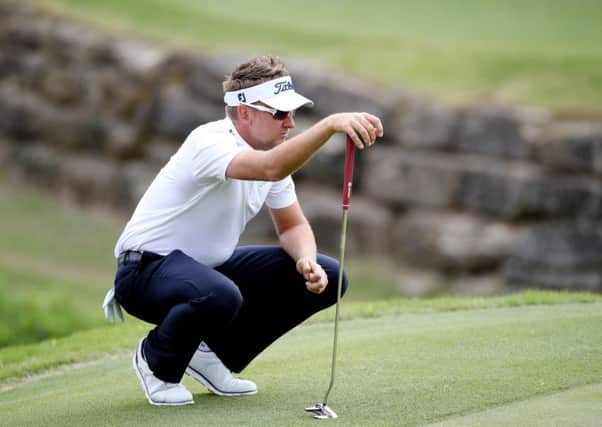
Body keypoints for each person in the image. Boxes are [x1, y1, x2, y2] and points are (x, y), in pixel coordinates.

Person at [103, 55, 383, 406]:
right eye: (280, 114)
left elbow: (293, 224)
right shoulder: (210, 141)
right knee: (221, 294)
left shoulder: (272, 154)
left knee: (331, 275)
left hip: (203, 272)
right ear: (246, 112)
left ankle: (211, 356)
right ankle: (156, 361)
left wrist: (306, 260)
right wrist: (329, 126)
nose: (291, 124)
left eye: (292, 113)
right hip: (144, 272)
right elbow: (269, 169)